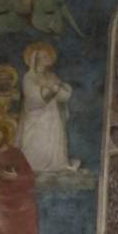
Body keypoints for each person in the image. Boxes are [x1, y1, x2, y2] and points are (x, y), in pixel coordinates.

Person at [19, 41, 74, 171]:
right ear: (36, 60)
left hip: (53, 115)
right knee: (38, 141)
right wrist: (53, 89)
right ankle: (34, 166)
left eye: (48, 55)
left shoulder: (52, 76)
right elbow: (35, 101)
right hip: (37, 117)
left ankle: (56, 165)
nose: (47, 58)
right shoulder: (29, 77)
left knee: (54, 141)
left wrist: (57, 88)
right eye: (44, 56)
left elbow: (63, 96)